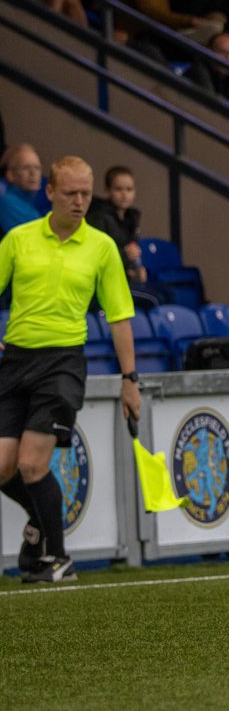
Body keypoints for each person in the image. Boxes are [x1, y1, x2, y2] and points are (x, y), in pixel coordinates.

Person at [0, 156, 141, 583]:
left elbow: (119, 317)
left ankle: (57, 559)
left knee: (32, 464)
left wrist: (130, 380)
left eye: (85, 193)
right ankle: (39, 521)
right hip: (15, 361)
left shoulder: (102, 247)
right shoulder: (18, 239)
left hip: (62, 363)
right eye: (70, 194)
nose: (80, 202)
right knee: (4, 468)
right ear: (50, 192)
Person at [85, 165, 147, 287]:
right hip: (104, 283)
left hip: (123, 279)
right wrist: (125, 255)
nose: (124, 194)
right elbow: (96, 256)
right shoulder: (98, 218)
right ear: (108, 191)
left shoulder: (132, 218)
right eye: (118, 189)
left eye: (129, 189)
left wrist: (136, 272)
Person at [1, 144, 51, 234]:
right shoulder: (6, 203)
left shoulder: (28, 205)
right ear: (11, 175)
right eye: (25, 168)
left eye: (37, 168)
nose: (33, 173)